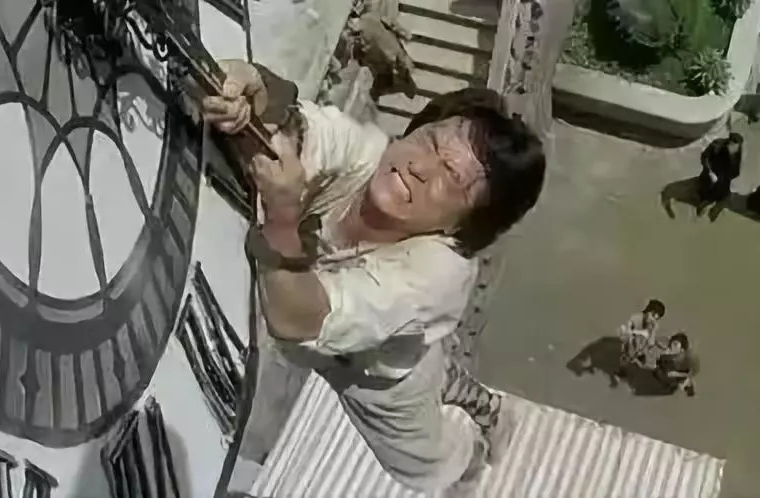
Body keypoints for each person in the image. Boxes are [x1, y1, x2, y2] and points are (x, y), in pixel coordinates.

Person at [202, 60, 545, 493]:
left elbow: (296, 321)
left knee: (425, 463)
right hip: (392, 334)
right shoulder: (369, 152)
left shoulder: (436, 275)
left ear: (462, 227)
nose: (421, 167)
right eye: (430, 141)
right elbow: (302, 130)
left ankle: (473, 456)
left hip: (377, 381)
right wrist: (252, 93)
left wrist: (283, 219)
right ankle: (480, 400)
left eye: (452, 177)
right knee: (431, 360)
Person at [697, 133, 743, 216]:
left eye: (737, 147)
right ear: (729, 143)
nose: (736, 149)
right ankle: (706, 203)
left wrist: (735, 178)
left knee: (724, 189)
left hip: (725, 175)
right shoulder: (717, 145)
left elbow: (736, 167)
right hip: (713, 170)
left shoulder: (737, 150)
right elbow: (705, 157)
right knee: (712, 186)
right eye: (733, 146)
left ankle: (715, 205)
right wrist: (710, 172)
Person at [618, 299, 665, 373]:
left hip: (642, 346)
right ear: (648, 310)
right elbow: (626, 332)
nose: (652, 319)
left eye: (656, 319)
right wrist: (639, 333)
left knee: (650, 353)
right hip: (631, 342)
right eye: (652, 315)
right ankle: (622, 371)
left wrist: (652, 331)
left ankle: (639, 358)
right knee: (627, 357)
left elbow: (651, 342)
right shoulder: (635, 318)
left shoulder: (653, 325)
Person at [654, 332, 699, 397]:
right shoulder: (668, 355)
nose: (672, 346)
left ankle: (683, 386)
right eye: (672, 344)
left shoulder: (685, 359)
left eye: (675, 344)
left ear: (682, 348)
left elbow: (687, 372)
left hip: (679, 376)